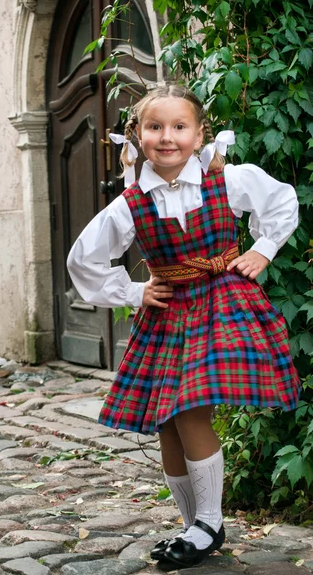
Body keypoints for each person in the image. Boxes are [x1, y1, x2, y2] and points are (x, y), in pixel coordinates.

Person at [67, 84, 300, 570]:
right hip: (168, 310)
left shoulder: (226, 180)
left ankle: (209, 523)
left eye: (179, 127)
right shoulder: (131, 203)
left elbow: (280, 203)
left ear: (199, 135)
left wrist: (262, 250)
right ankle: (194, 526)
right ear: (137, 135)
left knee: (190, 410)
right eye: (155, 127)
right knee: (166, 421)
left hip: (220, 303)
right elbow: (83, 261)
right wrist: (133, 292)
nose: (167, 137)